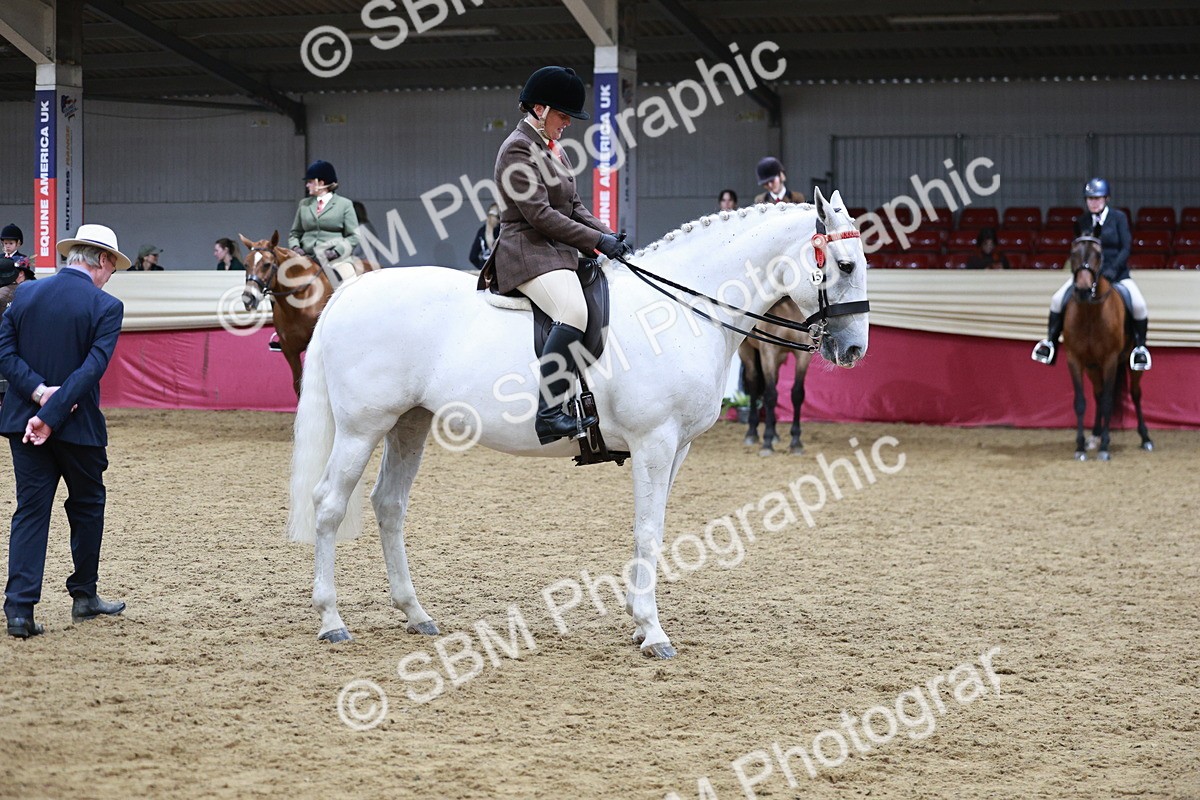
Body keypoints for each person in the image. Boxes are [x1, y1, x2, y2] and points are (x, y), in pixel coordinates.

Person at [481, 65, 632, 445]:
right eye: (564, 115)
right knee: (572, 311)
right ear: (540, 109)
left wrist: (607, 235)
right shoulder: (517, 148)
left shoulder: (553, 149)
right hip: (525, 249)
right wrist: (596, 242)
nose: (568, 123)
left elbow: (574, 206)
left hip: (553, 248)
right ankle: (549, 414)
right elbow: (540, 215)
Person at [0, 223, 130, 638]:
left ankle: (19, 609)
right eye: (112, 268)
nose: (110, 276)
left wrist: (39, 395)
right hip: (78, 428)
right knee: (88, 506)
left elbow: (4, 353)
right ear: (103, 260)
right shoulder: (106, 306)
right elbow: (92, 369)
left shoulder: (24, 294)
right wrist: (54, 411)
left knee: (30, 511)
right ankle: (84, 595)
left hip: (24, 420)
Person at [1032, 178, 1150, 370]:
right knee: (1057, 300)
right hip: (1086, 276)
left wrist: (1112, 270)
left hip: (1117, 274)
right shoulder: (1082, 221)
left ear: (1106, 199)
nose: (1093, 202)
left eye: (1097, 198)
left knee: (1139, 305)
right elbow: (1079, 250)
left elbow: (1126, 248)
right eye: (1090, 199)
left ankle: (1140, 349)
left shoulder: (1118, 218)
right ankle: (1050, 344)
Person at [288, 160, 360, 265]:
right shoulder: (304, 204)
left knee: (346, 273)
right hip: (307, 257)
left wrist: (336, 252)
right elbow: (294, 233)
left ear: (321, 183)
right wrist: (295, 247)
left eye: (310, 182)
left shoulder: (345, 204)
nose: (307, 185)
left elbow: (354, 236)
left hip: (335, 260)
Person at [468, 203, 501, 270]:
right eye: (498, 217)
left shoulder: (482, 231)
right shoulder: (501, 231)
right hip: (497, 269)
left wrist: (483, 268)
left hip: (489, 269)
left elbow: (473, 257)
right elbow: (473, 256)